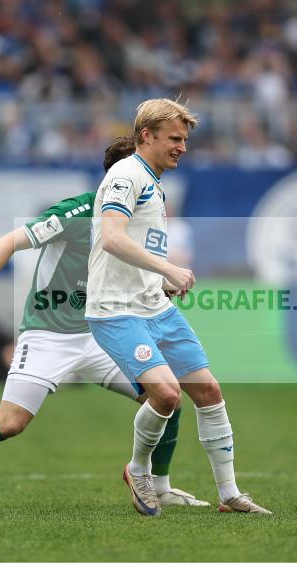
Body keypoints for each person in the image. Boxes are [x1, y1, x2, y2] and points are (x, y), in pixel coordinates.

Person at [0, 137, 209, 510]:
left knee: (167, 396)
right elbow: (8, 241)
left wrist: (162, 286)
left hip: (101, 332)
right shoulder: (79, 213)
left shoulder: (145, 217)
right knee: (9, 423)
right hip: (49, 334)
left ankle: (159, 485)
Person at [86, 98, 271, 515]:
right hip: (117, 310)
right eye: (174, 138)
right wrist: (169, 267)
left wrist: (160, 279)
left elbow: (135, 244)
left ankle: (229, 494)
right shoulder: (125, 175)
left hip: (153, 306)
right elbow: (113, 238)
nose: (182, 147)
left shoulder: (152, 178)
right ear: (146, 136)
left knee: (208, 391)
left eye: (185, 139)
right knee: (167, 395)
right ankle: (139, 470)